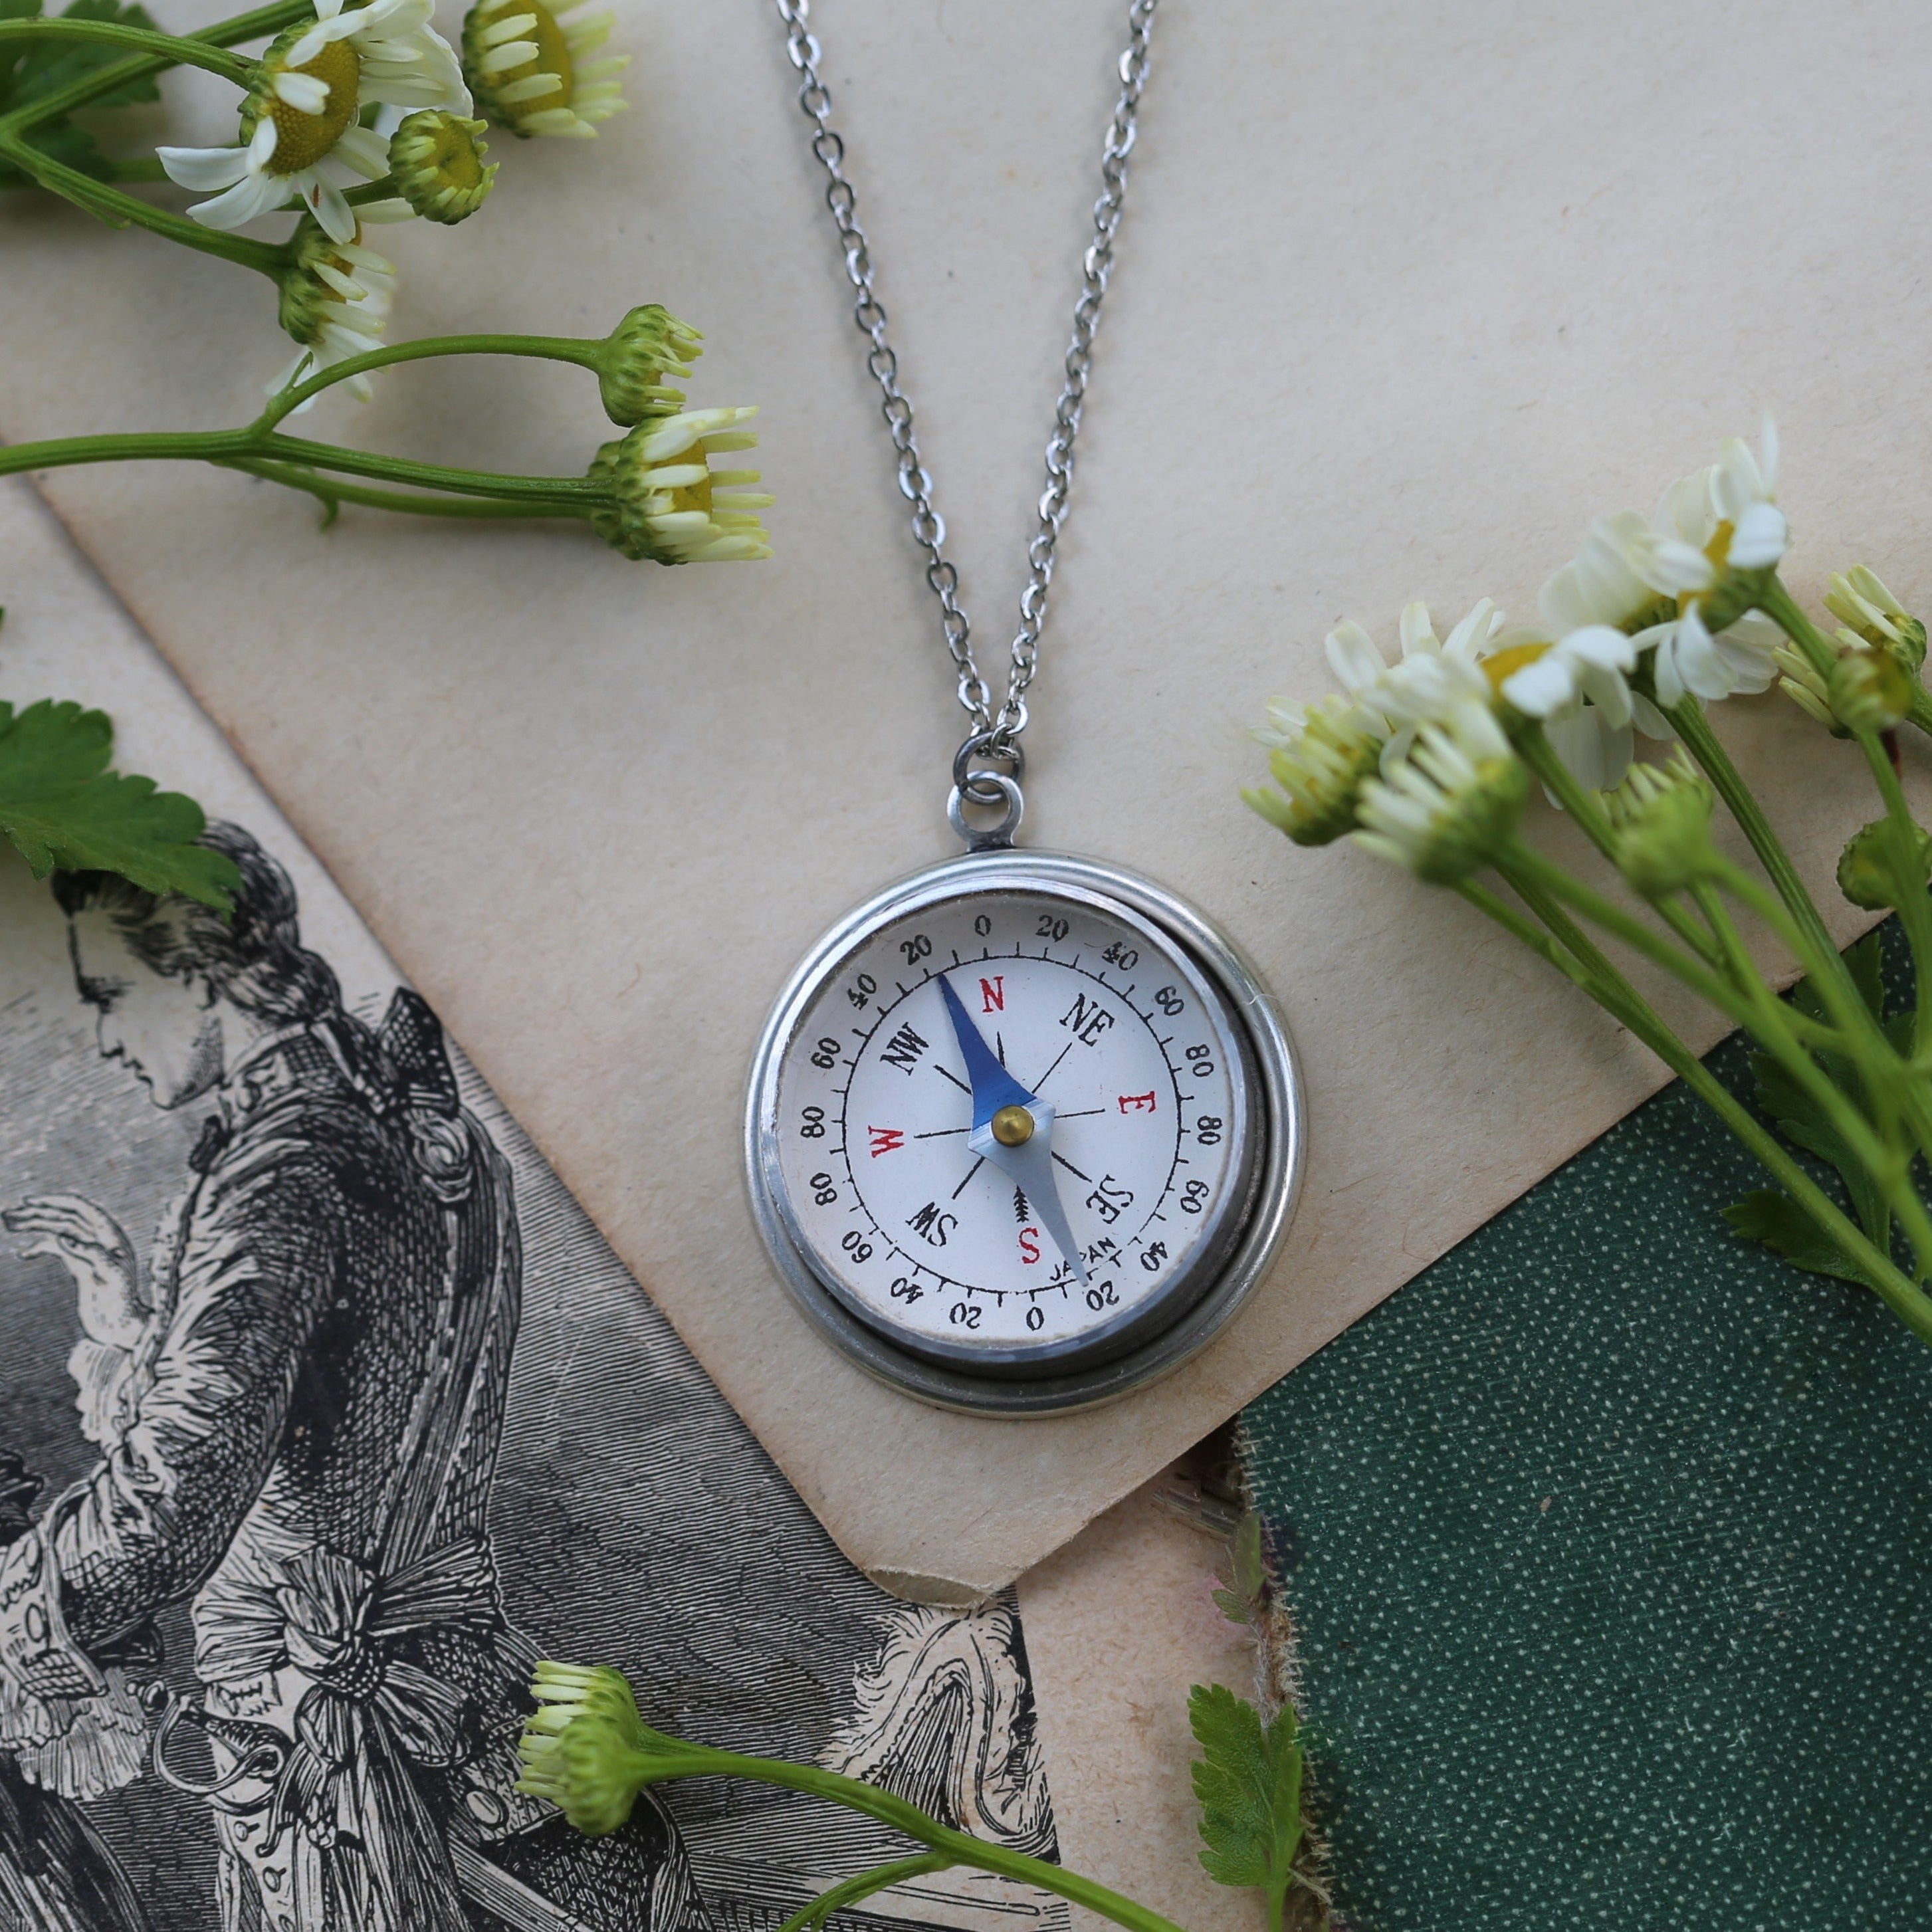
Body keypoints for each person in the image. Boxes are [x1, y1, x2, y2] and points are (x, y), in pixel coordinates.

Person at [0, 825, 699, 1932]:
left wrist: (18, 1619)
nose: (101, 1035)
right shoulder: (437, 1133)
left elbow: (173, 1503)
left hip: (335, 1765)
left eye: (108, 993)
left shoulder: (280, 1173)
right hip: (479, 1709)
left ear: (197, 969)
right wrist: (131, 1325)